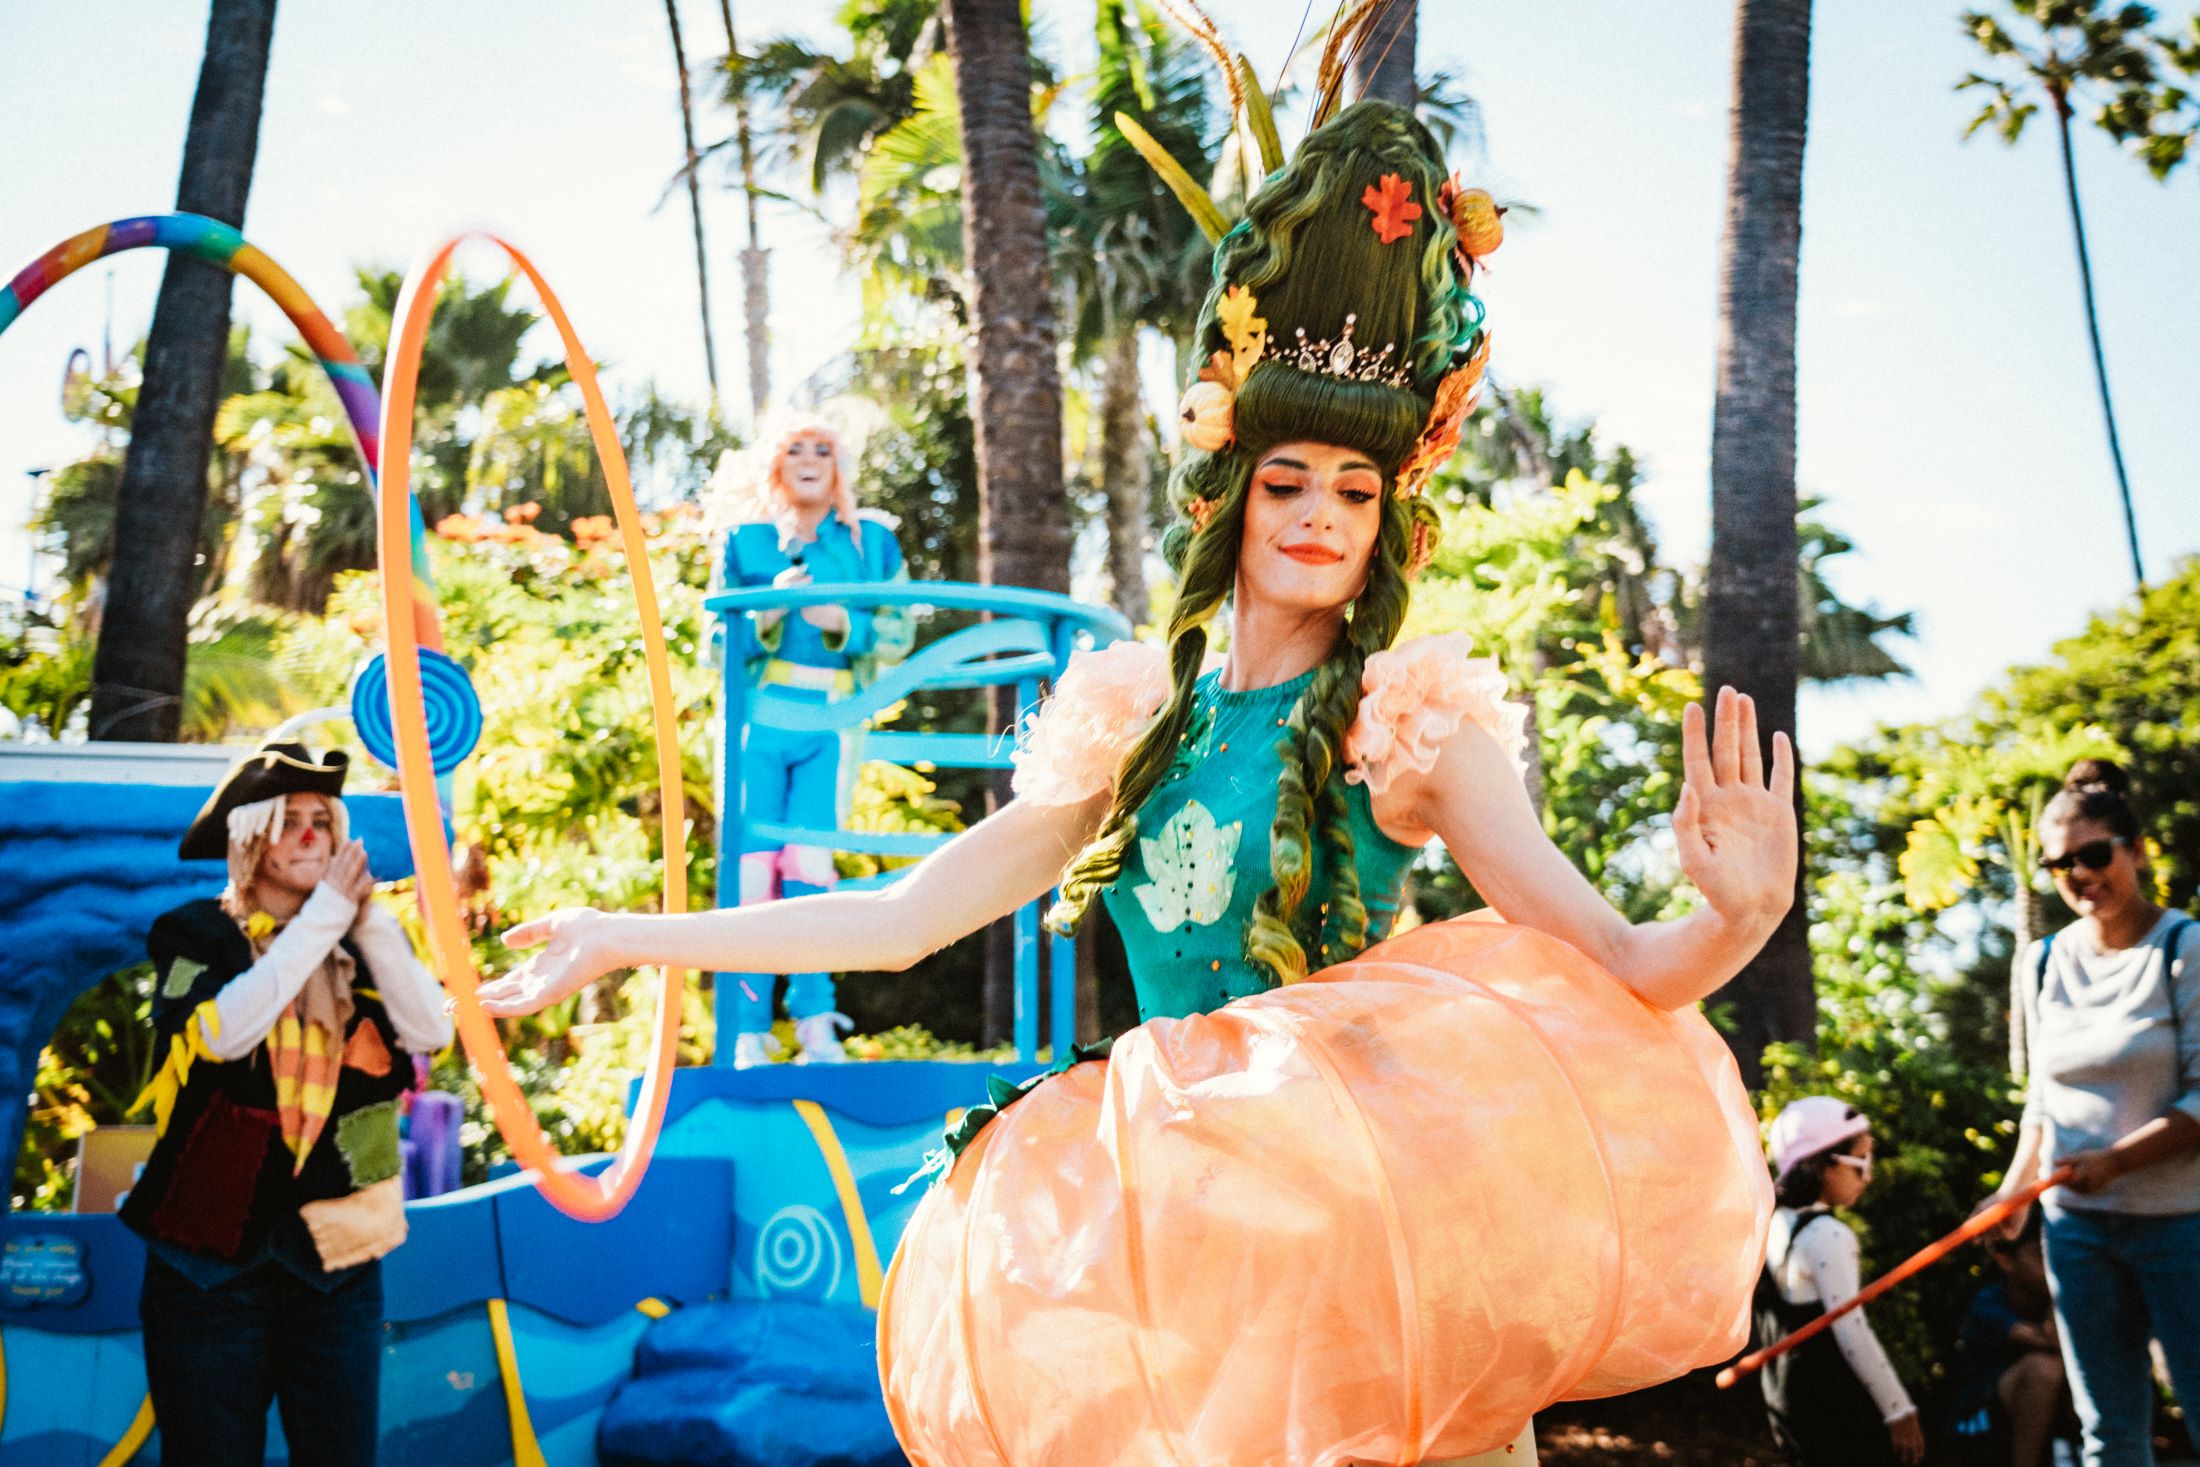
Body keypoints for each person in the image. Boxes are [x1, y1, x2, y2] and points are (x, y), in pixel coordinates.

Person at [480, 101, 1796, 1466]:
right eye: (1288, 478)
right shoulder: (1128, 716)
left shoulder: (1412, 724)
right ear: (1232, 487)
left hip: (1388, 1249)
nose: (1317, 516)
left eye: (1354, 491)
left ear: (1386, 518)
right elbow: (906, 915)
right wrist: (625, 936)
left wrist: (1736, 919)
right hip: (1191, 1242)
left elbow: (1623, 961)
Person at [118, 742, 452, 1467]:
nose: (311, 836)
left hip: (338, 1262)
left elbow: (432, 1030)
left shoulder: (363, 939)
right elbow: (222, 1033)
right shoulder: (192, 933)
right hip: (206, 1264)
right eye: (290, 820)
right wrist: (325, 916)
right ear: (250, 838)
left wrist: (367, 925)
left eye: (322, 821)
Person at [1978, 760, 2200, 1467]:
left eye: (2094, 853)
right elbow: (2042, 1096)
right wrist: (2015, 1190)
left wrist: (2118, 1160)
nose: (2078, 872)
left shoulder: (2183, 947)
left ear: (2136, 850)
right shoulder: (2042, 960)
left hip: (2181, 1226)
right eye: (2059, 862)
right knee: (2108, 1430)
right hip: (2077, 1231)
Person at [710, 415, 911, 1067]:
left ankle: (816, 1024)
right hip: (759, 725)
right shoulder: (743, 543)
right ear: (773, 465)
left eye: (822, 448)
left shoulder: (871, 543)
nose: (808, 459)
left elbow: (899, 629)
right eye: (794, 448)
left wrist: (843, 622)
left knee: (810, 869)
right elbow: (716, 644)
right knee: (751, 873)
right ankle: (746, 1029)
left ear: (838, 465)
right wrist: (767, 609)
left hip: (830, 722)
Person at [1755, 1097, 1925, 1466]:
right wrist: (1899, 1410)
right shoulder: (1828, 1235)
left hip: (1786, 1403)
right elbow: (1853, 1332)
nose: (1868, 1175)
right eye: (1860, 1161)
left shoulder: (1771, 1222)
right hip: (1835, 1413)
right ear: (1820, 1164)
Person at [1947, 1211, 2071, 1467]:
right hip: (1979, 1428)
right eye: (2040, 1254)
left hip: (2038, 1427)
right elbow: (2055, 1343)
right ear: (2005, 1261)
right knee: (2045, 1368)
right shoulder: (1988, 1304)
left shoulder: (2049, 1300)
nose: (2052, 1264)